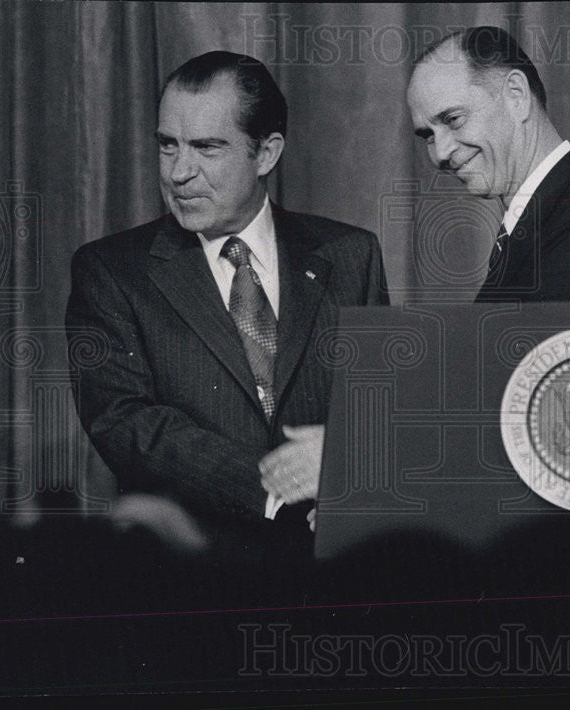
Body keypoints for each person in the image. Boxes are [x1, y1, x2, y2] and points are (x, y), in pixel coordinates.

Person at [65, 51, 387, 583]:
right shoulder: (111, 270)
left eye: (207, 147)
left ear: (266, 153)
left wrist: (349, 467)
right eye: (168, 145)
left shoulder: (351, 254)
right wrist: (276, 486)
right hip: (190, 575)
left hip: (335, 571)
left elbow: (376, 407)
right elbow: (125, 423)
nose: (179, 172)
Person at [407, 27, 570, 302]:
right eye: (427, 135)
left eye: (453, 119)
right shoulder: (557, 220)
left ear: (516, 95)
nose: (440, 153)